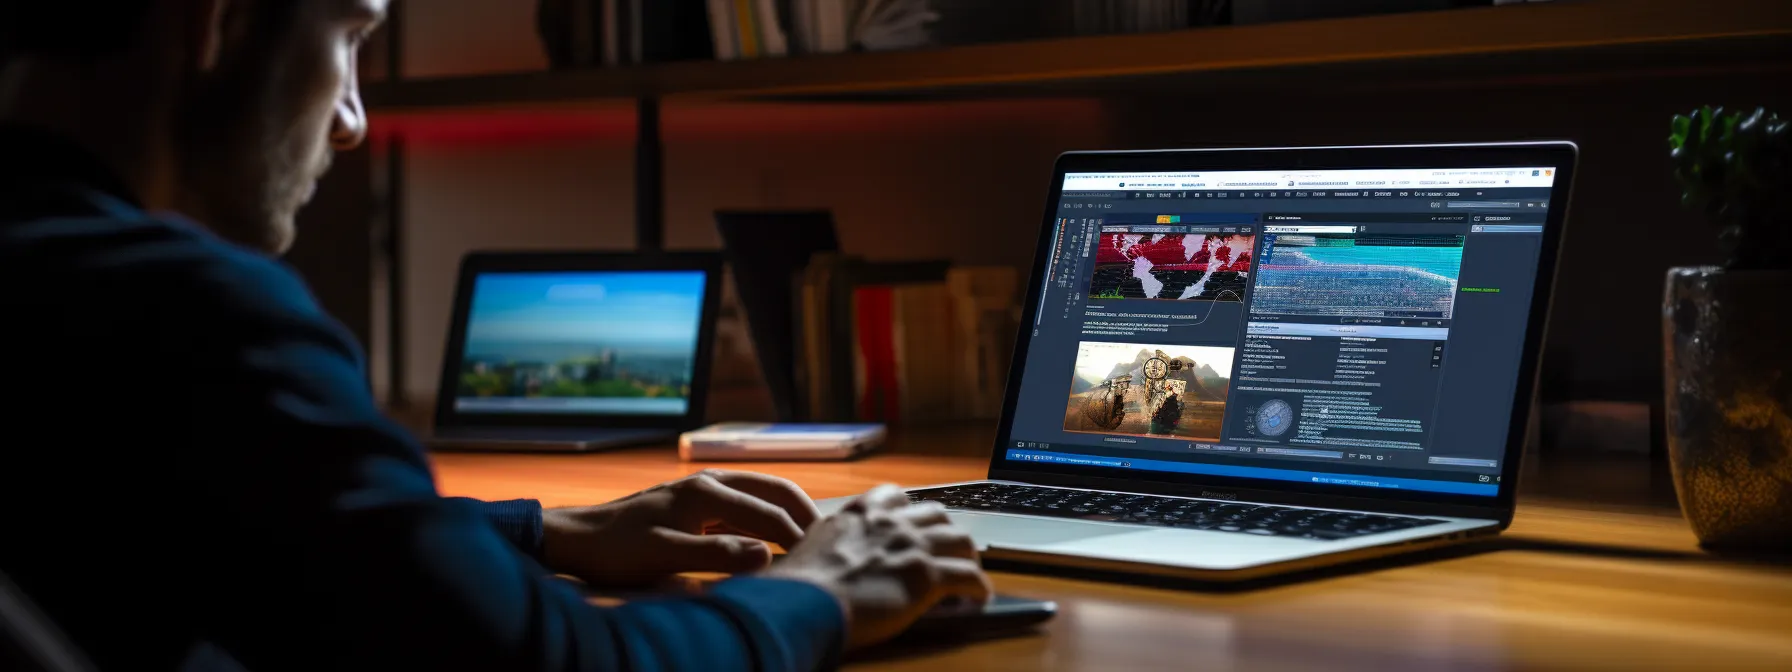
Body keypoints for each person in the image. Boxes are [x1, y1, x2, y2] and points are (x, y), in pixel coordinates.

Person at [0, 2, 990, 670]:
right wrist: (823, 592)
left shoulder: (52, 282)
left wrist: (543, 529)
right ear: (212, 20)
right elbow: (557, 662)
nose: (350, 119)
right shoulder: (191, 318)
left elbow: (233, 524)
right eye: (348, 36)